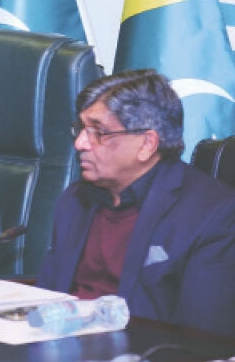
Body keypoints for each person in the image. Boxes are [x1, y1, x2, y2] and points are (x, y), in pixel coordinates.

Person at [37, 69, 235, 337]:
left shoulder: (211, 214)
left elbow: (201, 337)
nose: (80, 143)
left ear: (147, 143)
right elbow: (49, 294)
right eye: (81, 129)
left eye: (98, 131)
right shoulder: (75, 200)